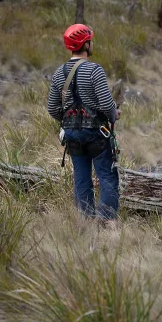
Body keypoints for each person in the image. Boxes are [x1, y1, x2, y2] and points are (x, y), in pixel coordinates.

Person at [47, 24, 121, 223]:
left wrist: (68, 121)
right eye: (91, 40)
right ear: (85, 44)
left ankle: (86, 223)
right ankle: (105, 222)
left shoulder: (59, 73)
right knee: (108, 177)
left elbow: (52, 108)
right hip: (96, 133)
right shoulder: (94, 70)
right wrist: (114, 114)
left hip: (72, 135)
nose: (92, 43)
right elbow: (106, 104)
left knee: (81, 179)